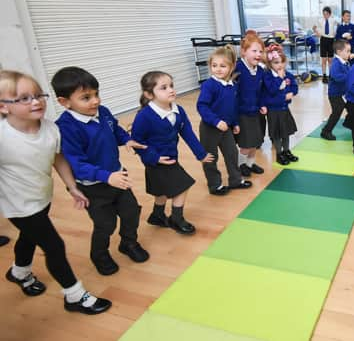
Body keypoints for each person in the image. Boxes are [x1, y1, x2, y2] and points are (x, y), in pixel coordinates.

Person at [0, 70, 111, 314]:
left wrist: (72, 187)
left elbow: (58, 159)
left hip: (42, 196)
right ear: (3, 107)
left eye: (38, 95)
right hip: (19, 205)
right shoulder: (3, 137)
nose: (36, 101)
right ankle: (74, 296)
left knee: (29, 237)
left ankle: (19, 272)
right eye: (24, 98)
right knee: (54, 246)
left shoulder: (50, 129)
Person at [52, 67, 149, 276]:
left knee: (131, 211)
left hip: (117, 176)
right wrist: (107, 177)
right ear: (64, 102)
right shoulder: (66, 128)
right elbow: (78, 166)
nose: (95, 101)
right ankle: (99, 254)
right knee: (105, 223)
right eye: (86, 98)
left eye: (96, 94)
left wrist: (127, 140)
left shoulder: (102, 111)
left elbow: (115, 129)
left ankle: (128, 243)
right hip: (93, 187)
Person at [131, 71, 214, 234]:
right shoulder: (144, 116)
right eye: (163, 88)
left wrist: (201, 154)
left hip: (171, 158)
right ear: (149, 94)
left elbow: (187, 133)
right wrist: (154, 158)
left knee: (161, 191)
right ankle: (177, 218)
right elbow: (136, 143)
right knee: (182, 186)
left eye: (171, 86)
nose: (170, 90)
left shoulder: (178, 111)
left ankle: (157, 215)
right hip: (156, 162)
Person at [197, 45, 253, 196]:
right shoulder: (209, 85)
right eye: (214, 66)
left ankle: (235, 180)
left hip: (226, 128)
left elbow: (232, 107)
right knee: (211, 157)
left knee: (231, 153)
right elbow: (202, 106)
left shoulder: (232, 86)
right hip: (210, 128)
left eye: (223, 66)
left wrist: (234, 123)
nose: (218, 69)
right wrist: (215, 121)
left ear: (232, 67)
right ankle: (215, 185)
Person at [235, 32, 267, 177]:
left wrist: (262, 104)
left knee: (255, 141)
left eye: (260, 51)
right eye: (254, 51)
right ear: (244, 52)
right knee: (246, 144)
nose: (258, 54)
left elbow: (261, 92)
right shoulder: (237, 69)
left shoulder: (260, 70)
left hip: (255, 112)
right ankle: (240, 164)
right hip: (242, 113)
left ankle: (250, 163)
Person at [262, 43, 299, 165]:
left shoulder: (288, 74)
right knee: (277, 133)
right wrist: (279, 78)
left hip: (284, 108)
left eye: (282, 62)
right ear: (270, 64)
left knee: (286, 131)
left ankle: (286, 151)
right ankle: (279, 153)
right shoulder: (268, 76)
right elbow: (272, 90)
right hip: (273, 110)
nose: (280, 65)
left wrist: (291, 94)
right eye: (276, 63)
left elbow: (294, 87)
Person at [321, 39, 351, 141]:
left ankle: (351, 124)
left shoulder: (344, 62)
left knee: (353, 108)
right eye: (347, 51)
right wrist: (350, 76)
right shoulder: (336, 63)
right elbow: (336, 76)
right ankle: (326, 131)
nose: (349, 53)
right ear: (339, 52)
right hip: (335, 94)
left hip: (343, 93)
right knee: (337, 112)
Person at [314, 6, 338, 83]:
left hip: (331, 40)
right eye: (324, 14)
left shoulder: (333, 20)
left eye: (327, 14)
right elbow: (315, 28)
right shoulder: (320, 20)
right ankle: (324, 75)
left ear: (330, 14)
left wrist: (336, 32)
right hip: (323, 39)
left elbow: (338, 25)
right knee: (324, 59)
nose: (325, 15)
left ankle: (331, 75)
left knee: (330, 60)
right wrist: (316, 31)